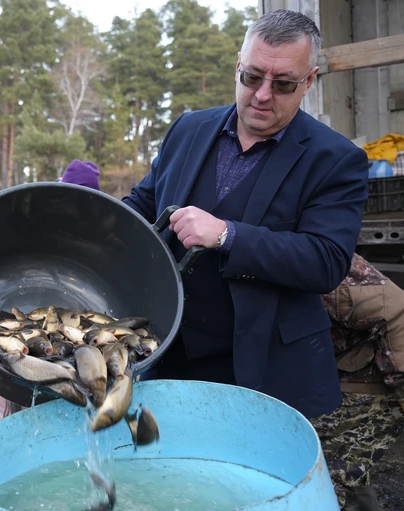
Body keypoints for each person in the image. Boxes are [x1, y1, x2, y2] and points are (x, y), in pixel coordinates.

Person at [122, 9, 368, 420]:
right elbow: (143, 205)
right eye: (252, 77)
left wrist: (226, 234)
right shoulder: (187, 129)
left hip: (269, 372)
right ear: (238, 66)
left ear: (309, 81)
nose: (262, 95)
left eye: (283, 83)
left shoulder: (336, 159)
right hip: (169, 357)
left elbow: (325, 261)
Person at [0, 159, 102, 422]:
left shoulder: (94, 226)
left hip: (62, 317)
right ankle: (5, 422)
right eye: (68, 199)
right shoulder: (36, 212)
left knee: (61, 397)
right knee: (12, 384)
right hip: (23, 314)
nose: (71, 208)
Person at [315, 253, 404, 510]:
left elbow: (396, 311)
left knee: (322, 475)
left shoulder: (315, 264)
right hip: (327, 372)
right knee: (343, 468)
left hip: (374, 378)